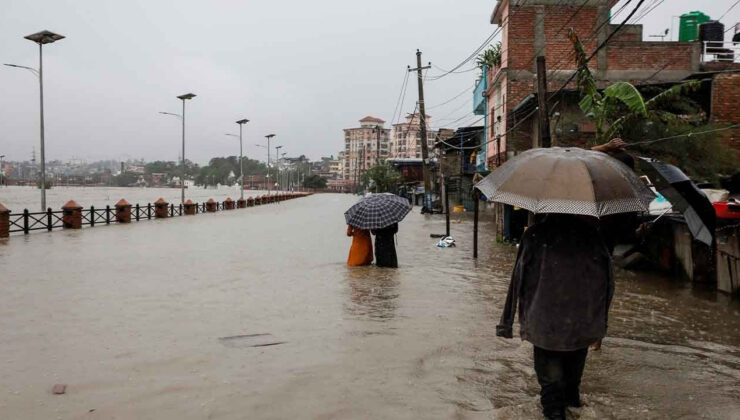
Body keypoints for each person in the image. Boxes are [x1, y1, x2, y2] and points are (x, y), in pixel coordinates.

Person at [496, 214, 614, 420]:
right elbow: (607, 281)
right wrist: (600, 325)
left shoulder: (534, 235)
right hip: (581, 323)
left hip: (544, 325)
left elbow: (518, 278)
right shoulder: (592, 235)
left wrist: (506, 324)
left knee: (551, 392)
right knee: (571, 391)